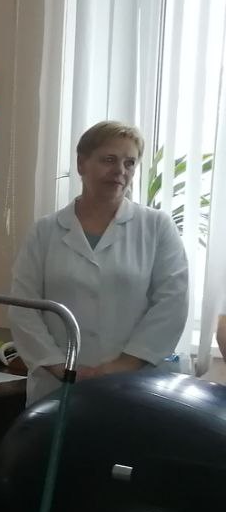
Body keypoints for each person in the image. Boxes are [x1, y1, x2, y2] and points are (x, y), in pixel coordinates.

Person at [10, 120, 189, 404]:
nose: (120, 170)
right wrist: (59, 366)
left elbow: (172, 304)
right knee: (61, 434)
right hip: (57, 384)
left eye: (129, 163)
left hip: (136, 383)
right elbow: (23, 307)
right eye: (109, 159)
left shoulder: (157, 227)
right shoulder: (45, 231)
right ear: (81, 164)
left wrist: (123, 365)